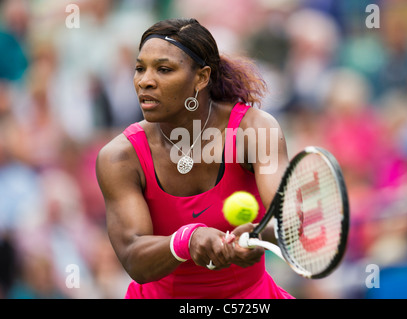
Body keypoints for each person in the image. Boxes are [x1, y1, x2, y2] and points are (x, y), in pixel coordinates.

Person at [96, 18, 293, 299]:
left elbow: (286, 216)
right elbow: (133, 256)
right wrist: (186, 240)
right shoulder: (119, 157)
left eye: (163, 69)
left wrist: (259, 236)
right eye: (140, 68)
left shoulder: (255, 130)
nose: (145, 81)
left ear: (201, 78)